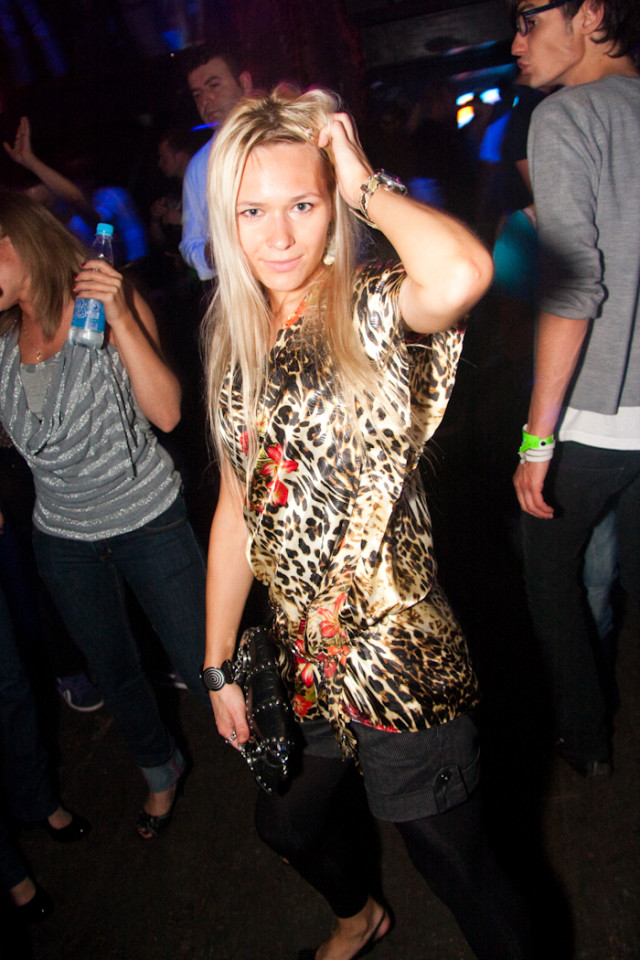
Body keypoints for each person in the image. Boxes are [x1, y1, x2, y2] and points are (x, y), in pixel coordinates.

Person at [202, 87, 536, 960]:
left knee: (455, 865)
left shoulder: (365, 304)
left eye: (303, 205)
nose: (279, 236)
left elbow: (461, 274)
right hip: (302, 654)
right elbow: (237, 505)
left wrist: (357, 178)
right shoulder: (236, 335)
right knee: (286, 822)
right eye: (252, 211)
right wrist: (216, 662)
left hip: (396, 655)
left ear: (331, 207)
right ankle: (360, 917)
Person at [0, 191, 209, 840]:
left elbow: (167, 413)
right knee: (115, 673)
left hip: (147, 518)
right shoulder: (3, 341)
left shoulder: (103, 302)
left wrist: (121, 314)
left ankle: (280, 767)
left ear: (18, 242)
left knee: (205, 662)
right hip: (63, 540)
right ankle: (160, 770)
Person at [511, 0, 640, 776]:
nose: (517, 41)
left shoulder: (563, 118)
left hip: (595, 416)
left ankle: (587, 742)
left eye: (530, 18)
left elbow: (574, 290)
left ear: (590, 13)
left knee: (550, 583)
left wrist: (537, 439)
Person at [178, 44, 252, 281]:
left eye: (214, 86)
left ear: (244, 83)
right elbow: (190, 243)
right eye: (197, 94)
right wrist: (214, 252)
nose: (206, 100)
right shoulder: (199, 166)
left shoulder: (284, 137)